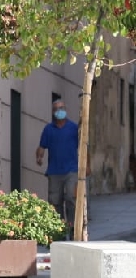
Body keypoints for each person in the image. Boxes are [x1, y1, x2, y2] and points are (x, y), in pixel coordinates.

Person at [36, 97, 79, 231]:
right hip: (54, 172)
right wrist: (39, 157)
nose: (59, 111)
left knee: (71, 198)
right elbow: (42, 146)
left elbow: (84, 146)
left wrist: (87, 165)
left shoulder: (73, 128)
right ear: (53, 112)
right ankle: (59, 229)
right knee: (55, 202)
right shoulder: (48, 129)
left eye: (61, 108)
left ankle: (72, 226)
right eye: (56, 109)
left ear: (65, 110)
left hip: (71, 170)